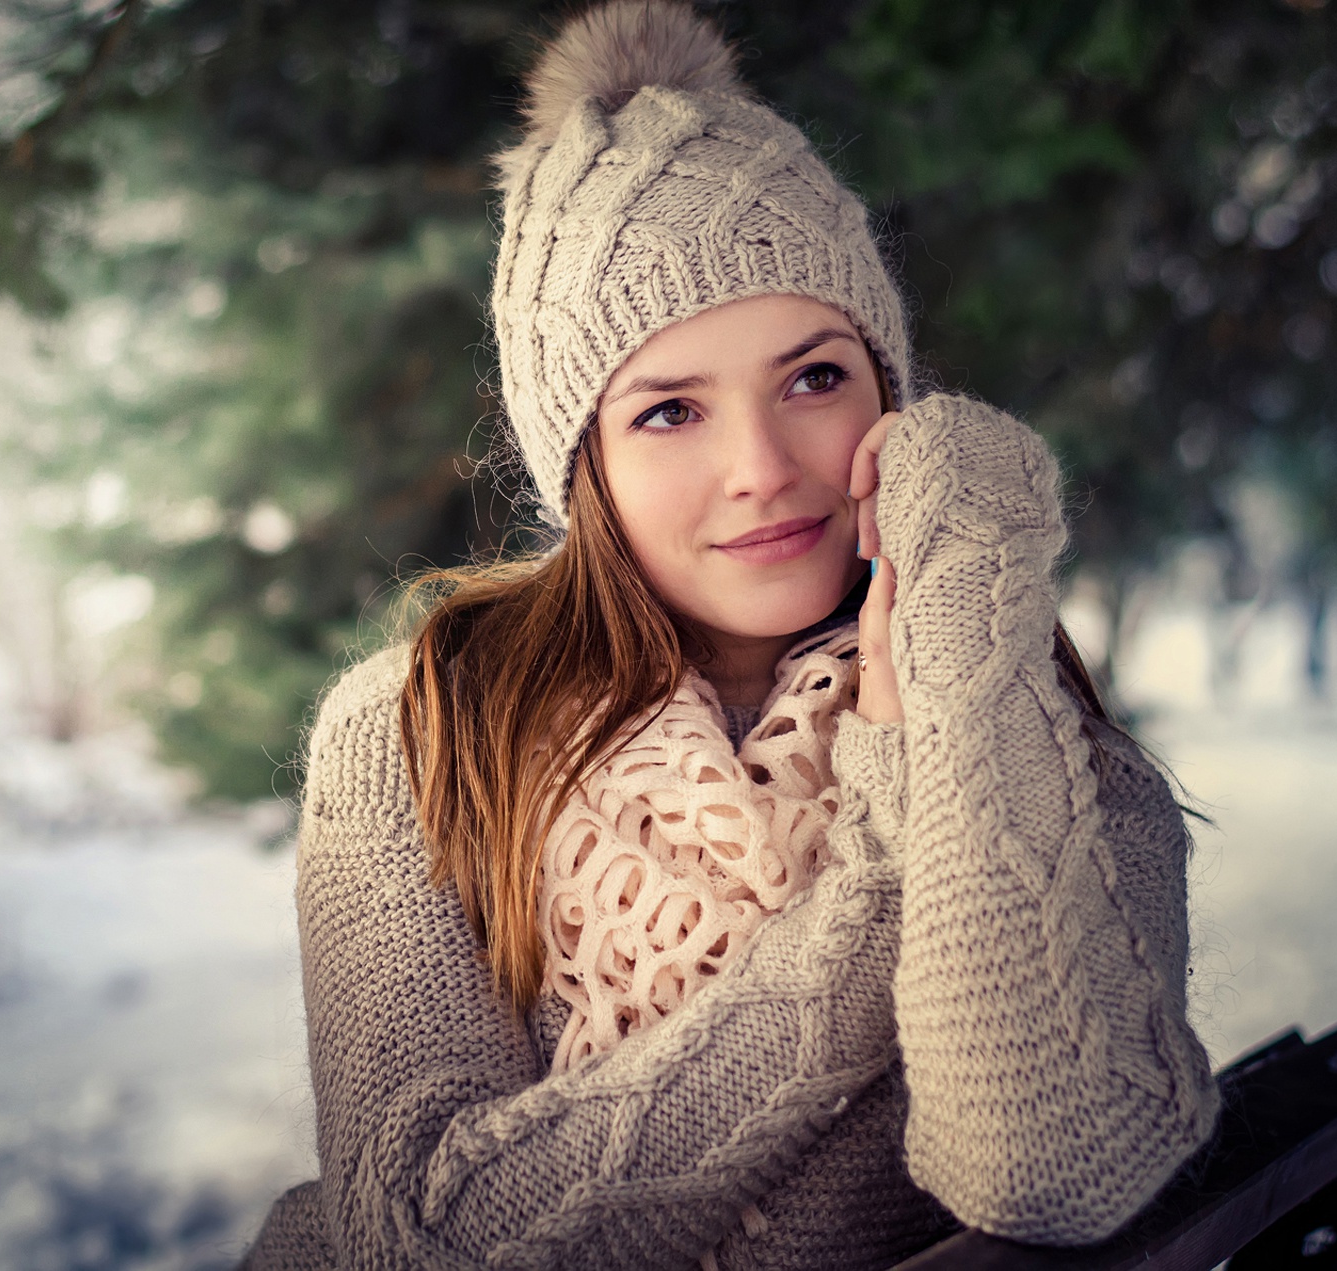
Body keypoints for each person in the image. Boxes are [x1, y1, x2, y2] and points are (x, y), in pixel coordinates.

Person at [242, 3, 1220, 1268]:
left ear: (894, 398)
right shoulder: (424, 730)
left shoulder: (1032, 735)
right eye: (669, 412)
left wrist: (962, 649)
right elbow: (418, 1236)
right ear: (580, 459)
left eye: (816, 378)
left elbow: (1053, 1164)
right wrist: (884, 867)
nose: (762, 468)